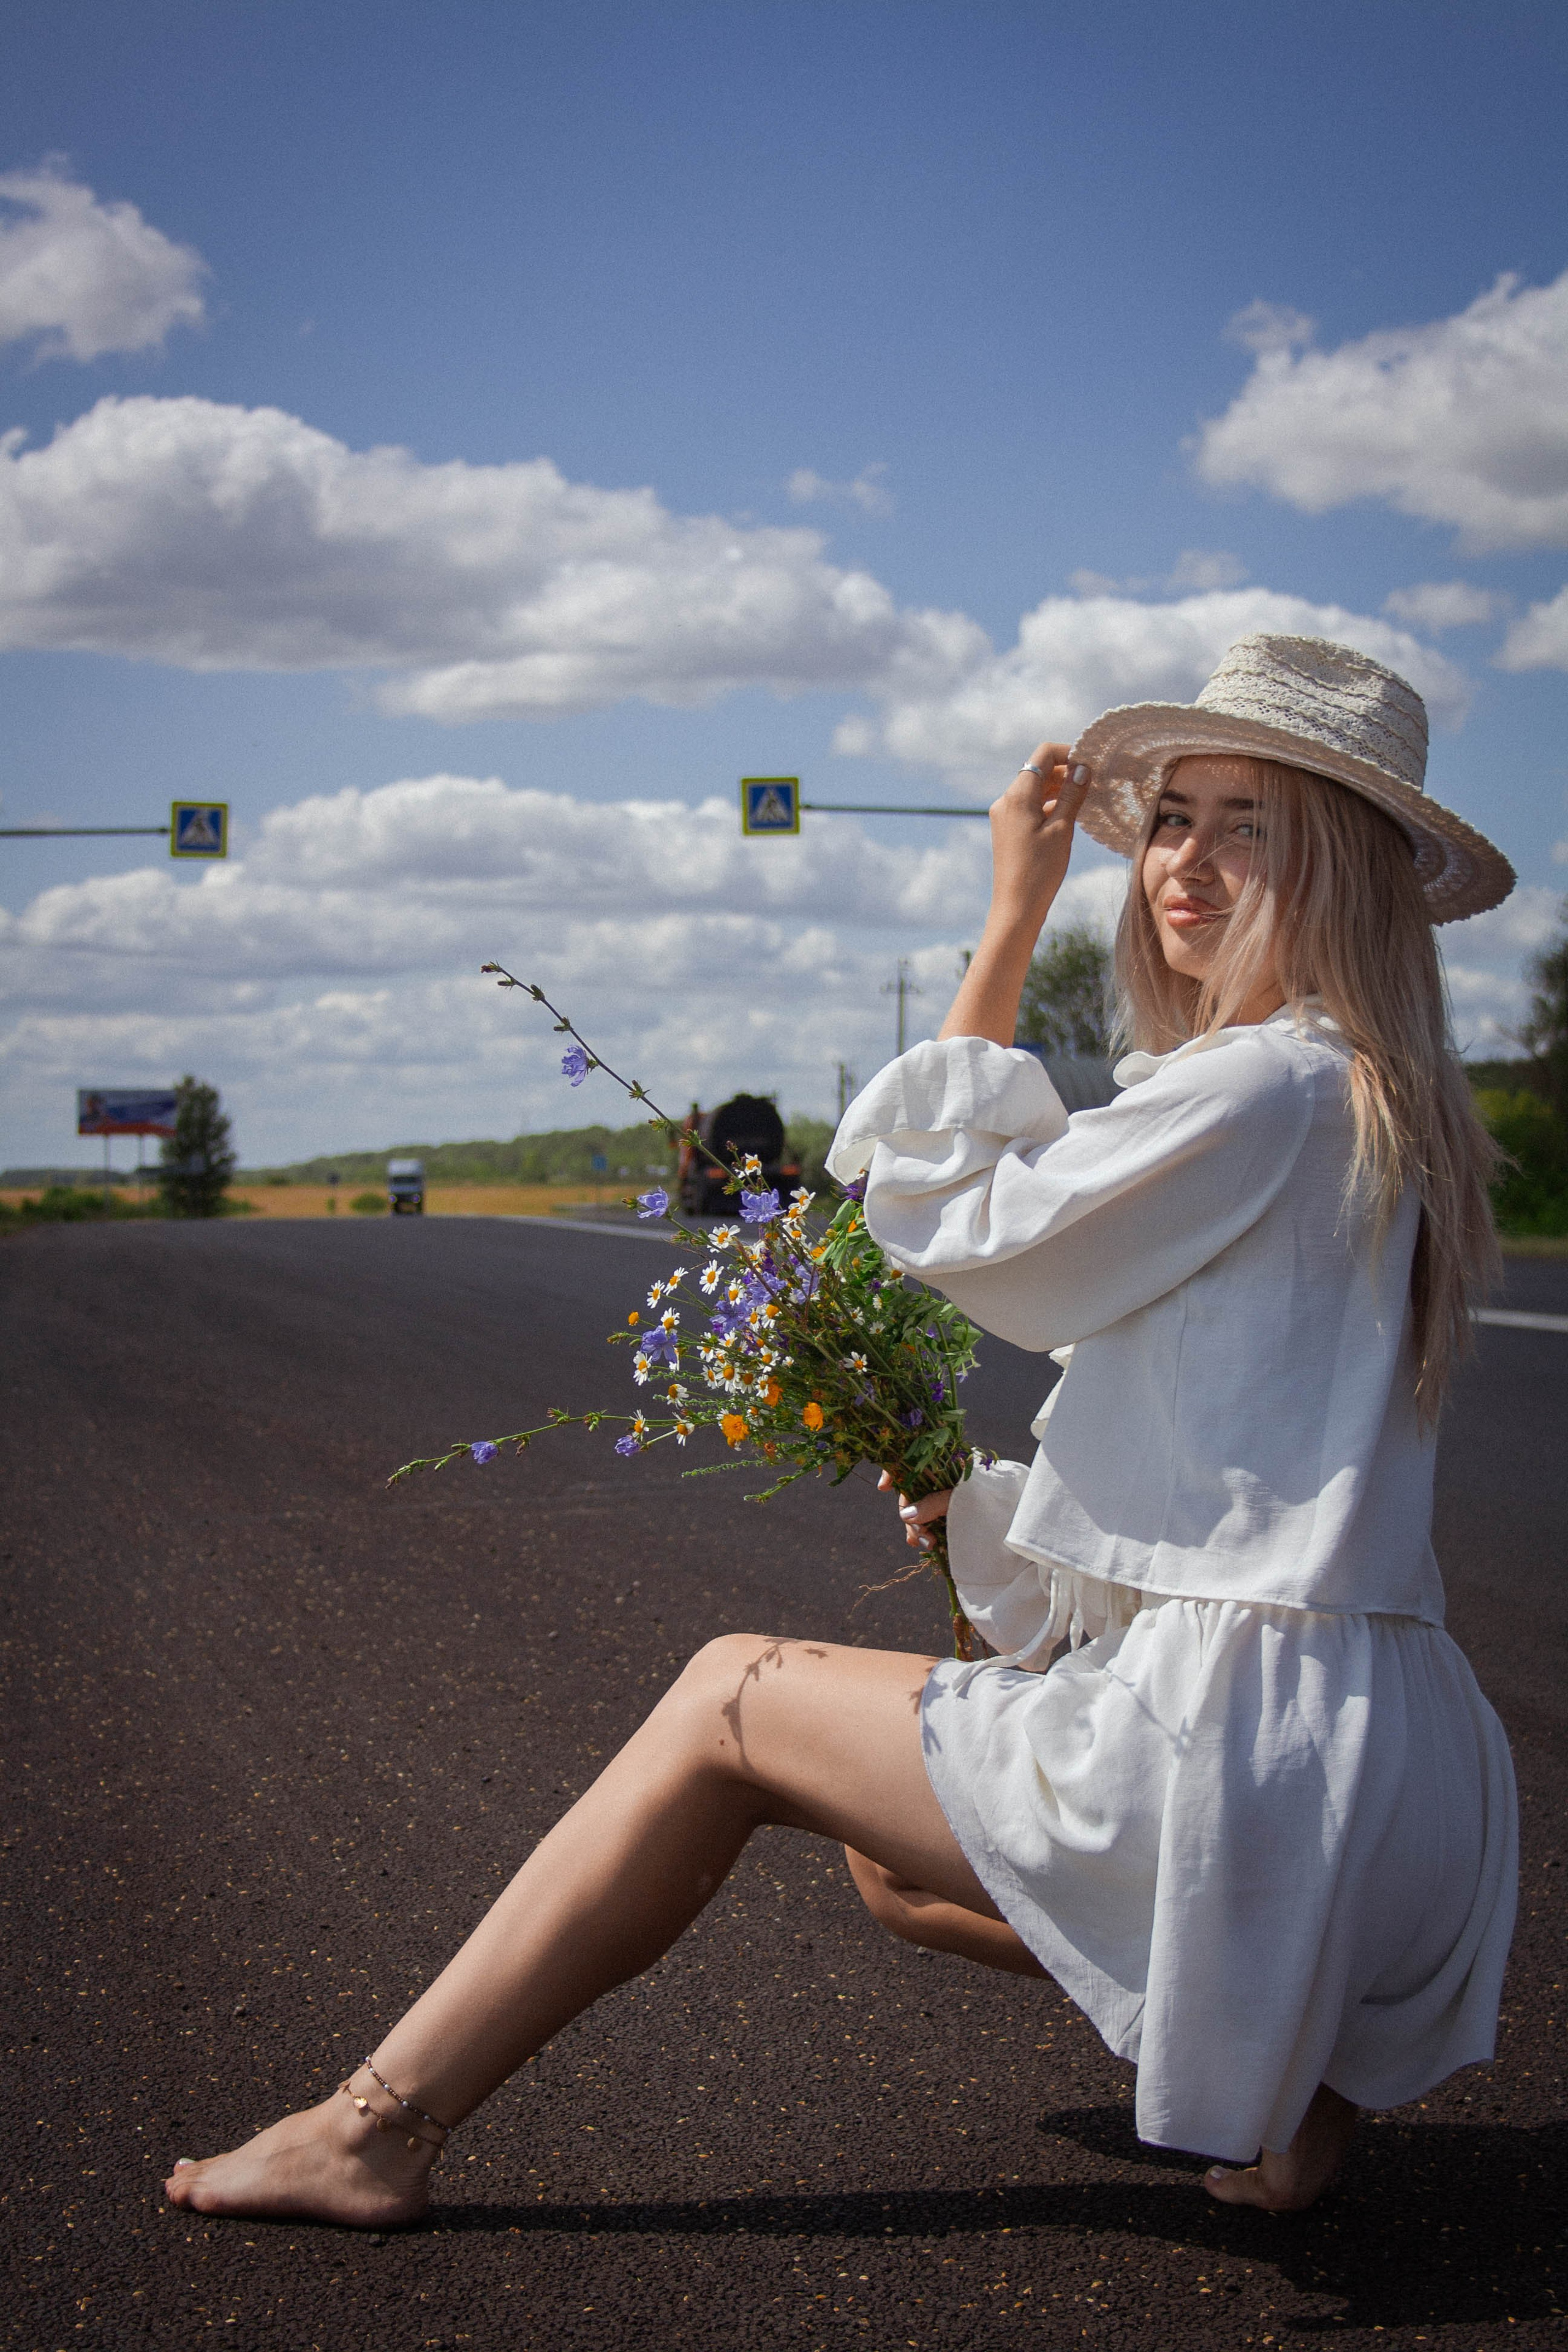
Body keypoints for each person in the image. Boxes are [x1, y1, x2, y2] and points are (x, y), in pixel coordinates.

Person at [164, 632, 1518, 2228]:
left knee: (730, 1699)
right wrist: (979, 1504)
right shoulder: (1371, 1096)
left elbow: (946, 1218)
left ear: (1347, 868)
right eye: (1171, 818)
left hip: (1248, 1763)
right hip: (1401, 1779)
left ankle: (371, 2127)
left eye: (1251, 827)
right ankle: (1293, 2091)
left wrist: (1008, 911)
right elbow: (1241, 1462)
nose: (1187, 866)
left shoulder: (1261, 1093)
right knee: (895, 1866)